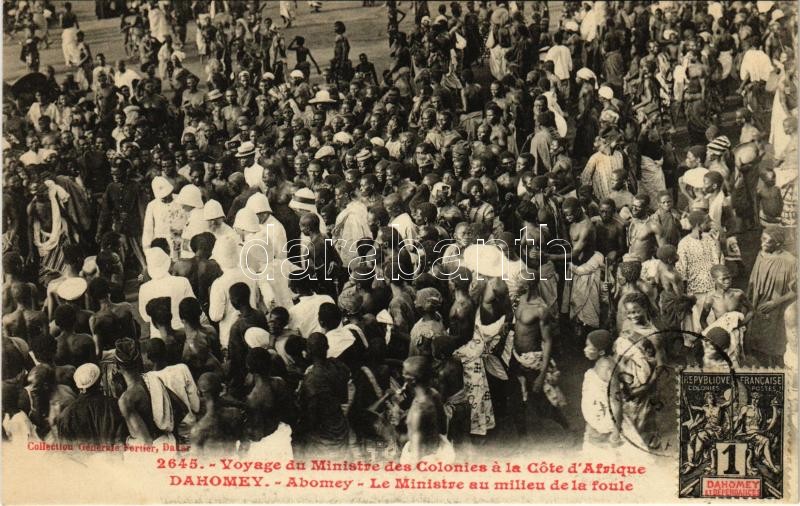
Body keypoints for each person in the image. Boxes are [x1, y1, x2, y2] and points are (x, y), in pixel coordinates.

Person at [746, 227, 797, 367]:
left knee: (773, 348)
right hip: (758, 308)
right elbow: (753, 282)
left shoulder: (791, 262)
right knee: (757, 346)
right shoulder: (761, 255)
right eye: (762, 239)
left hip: (776, 311)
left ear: (778, 244)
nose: (762, 243)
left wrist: (775, 302)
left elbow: (796, 291)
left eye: (766, 241)